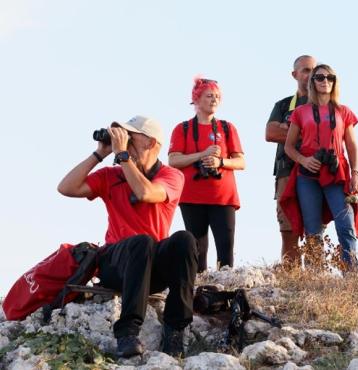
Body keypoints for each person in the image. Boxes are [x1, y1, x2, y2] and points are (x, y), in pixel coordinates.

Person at [57, 116, 197, 358]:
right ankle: (128, 332)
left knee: (184, 240)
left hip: (149, 269)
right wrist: (99, 154)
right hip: (115, 264)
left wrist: (123, 156)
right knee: (141, 242)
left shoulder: (172, 175)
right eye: (124, 137)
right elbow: (66, 188)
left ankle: (175, 331)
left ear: (152, 143)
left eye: (131, 138)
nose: (126, 142)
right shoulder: (111, 175)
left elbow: (145, 192)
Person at [280, 64, 358, 271]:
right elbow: (289, 147)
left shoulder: (343, 111)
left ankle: (352, 272)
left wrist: (356, 173)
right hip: (308, 173)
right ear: (312, 82)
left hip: (337, 172)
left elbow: (352, 146)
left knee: (346, 224)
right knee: (313, 228)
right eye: (319, 77)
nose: (325, 81)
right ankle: (315, 274)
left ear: (335, 82)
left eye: (330, 77)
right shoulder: (300, 112)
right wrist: (304, 160)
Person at [168, 77, 245, 270]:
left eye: (218, 96)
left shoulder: (227, 128)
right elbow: (173, 160)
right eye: (209, 95)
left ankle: (225, 291)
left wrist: (220, 162)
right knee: (197, 251)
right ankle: (197, 291)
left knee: (225, 252)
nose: (214, 100)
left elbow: (241, 162)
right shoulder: (182, 128)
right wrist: (201, 155)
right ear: (196, 99)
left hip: (223, 197)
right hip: (192, 196)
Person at [265, 55, 317, 265]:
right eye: (305, 70)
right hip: (286, 170)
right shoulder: (284, 104)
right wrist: (307, 131)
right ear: (294, 74)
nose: (310, 74)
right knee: (287, 227)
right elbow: (270, 133)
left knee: (315, 228)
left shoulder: (325, 104)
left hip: (315, 172)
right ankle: (292, 276)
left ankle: (315, 280)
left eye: (314, 70)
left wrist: (289, 130)